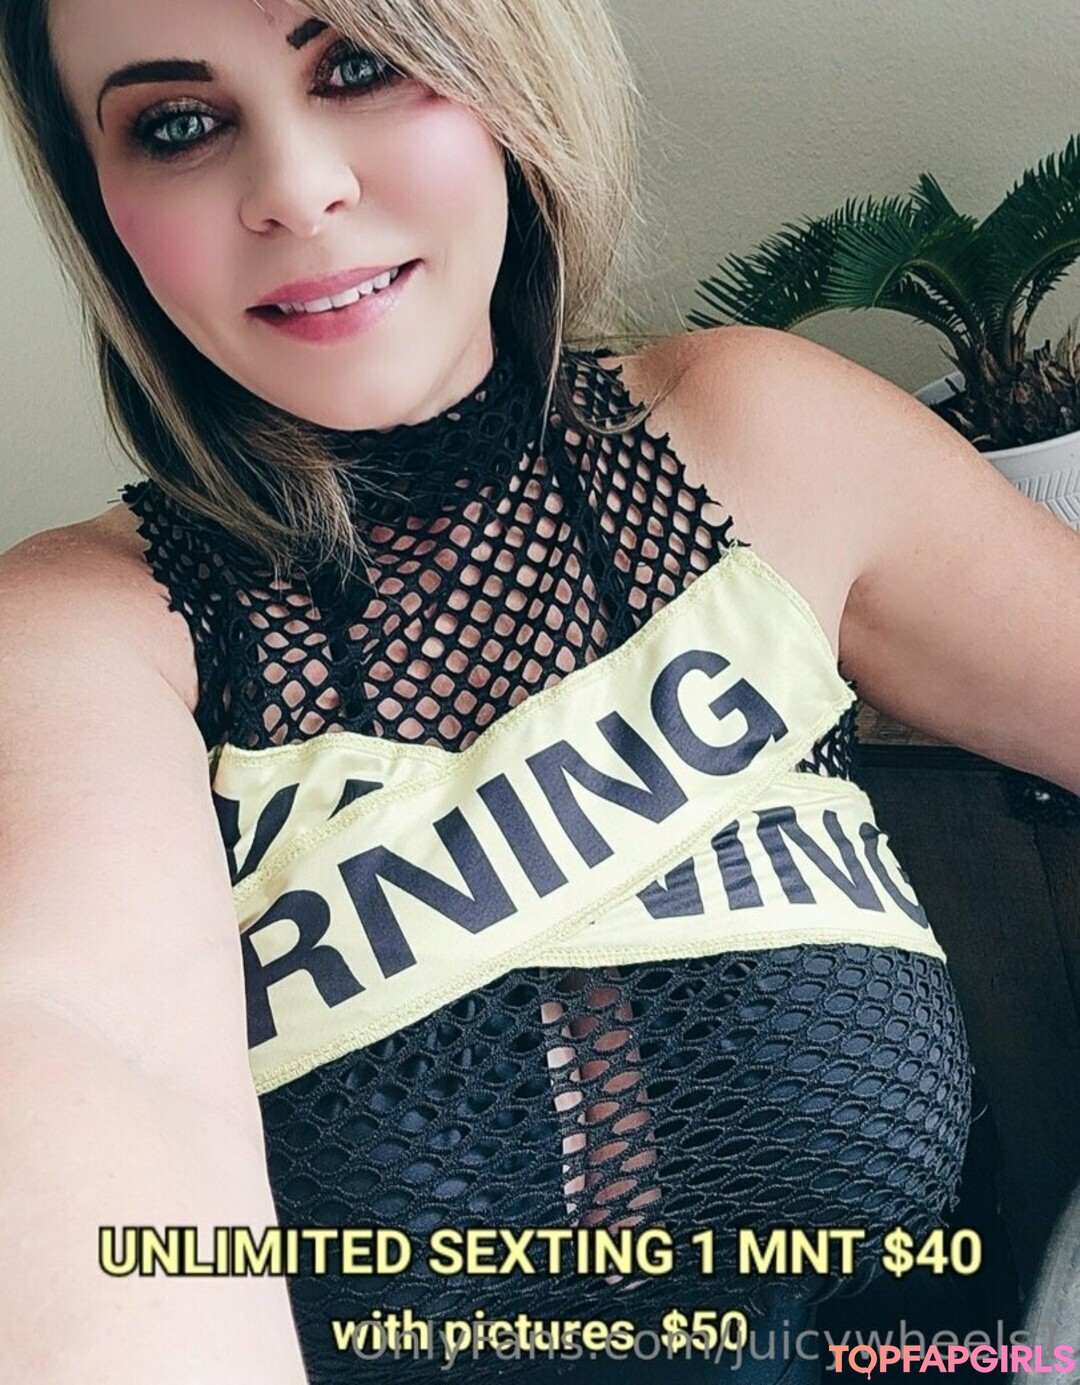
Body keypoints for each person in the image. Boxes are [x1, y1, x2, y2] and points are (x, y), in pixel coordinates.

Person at [1, 0, 1078, 1382]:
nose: (296, 189)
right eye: (176, 124)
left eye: (360, 65)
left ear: (510, 78)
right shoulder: (77, 644)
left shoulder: (764, 445)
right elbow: (82, 1055)